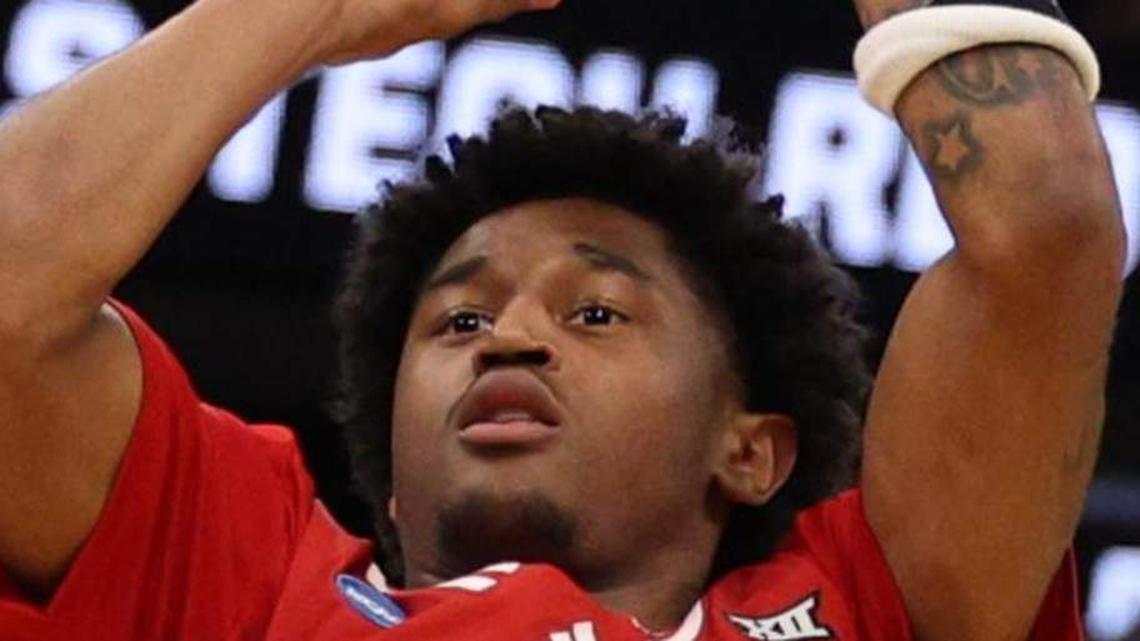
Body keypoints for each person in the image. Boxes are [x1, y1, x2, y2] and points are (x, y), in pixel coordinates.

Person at [0, 0, 1124, 639]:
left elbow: (1047, 225)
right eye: (455, 321)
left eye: (596, 310)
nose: (509, 334)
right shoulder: (247, 580)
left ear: (749, 448)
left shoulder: (871, 604)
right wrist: (306, 12)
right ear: (390, 481)